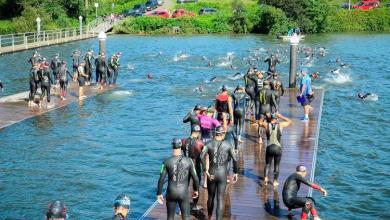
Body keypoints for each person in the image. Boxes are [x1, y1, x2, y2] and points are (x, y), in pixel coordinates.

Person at [200, 126, 238, 220]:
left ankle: (209, 217)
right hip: (222, 175)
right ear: (222, 134)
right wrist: (235, 173)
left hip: (211, 174)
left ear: (215, 133)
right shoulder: (228, 145)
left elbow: (201, 157)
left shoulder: (208, 143)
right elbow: (235, 159)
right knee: (220, 198)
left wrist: (205, 170)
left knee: (211, 197)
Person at [157, 138, 199, 220]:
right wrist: (196, 190)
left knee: (170, 217)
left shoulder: (166, 161)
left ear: (172, 146)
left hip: (171, 192)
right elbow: (196, 178)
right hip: (183, 193)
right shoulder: (189, 161)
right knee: (186, 217)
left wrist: (159, 193)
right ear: (181, 146)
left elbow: (161, 179)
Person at [259, 113, 291, 186]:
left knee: (267, 164)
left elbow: (259, 122)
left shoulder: (266, 125)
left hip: (269, 147)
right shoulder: (280, 125)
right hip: (277, 148)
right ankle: (275, 181)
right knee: (276, 165)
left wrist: (264, 116)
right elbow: (290, 122)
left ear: (270, 119)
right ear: (277, 119)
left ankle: (266, 178)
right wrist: (281, 116)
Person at [181, 125, 204, 211]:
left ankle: (181, 208)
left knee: (184, 187)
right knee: (196, 186)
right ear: (198, 133)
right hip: (195, 167)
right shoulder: (200, 143)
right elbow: (203, 156)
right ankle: (194, 206)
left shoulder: (183, 141)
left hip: (185, 167)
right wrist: (206, 169)